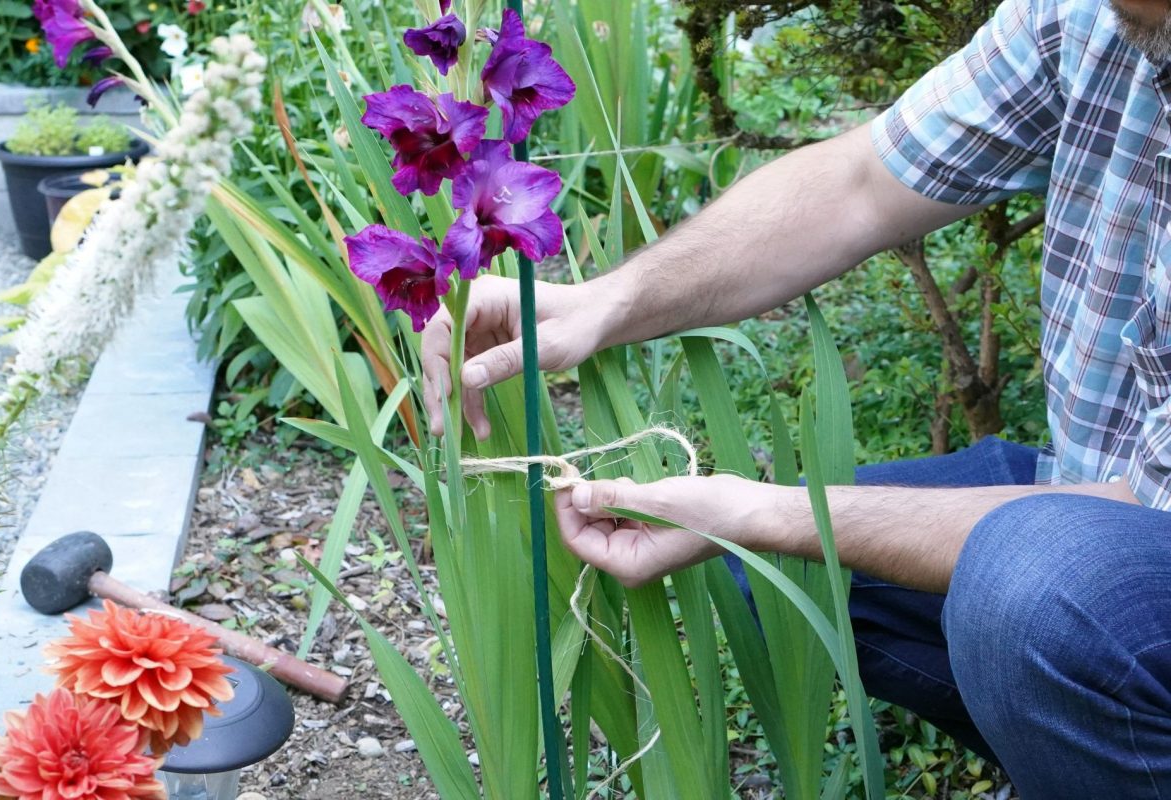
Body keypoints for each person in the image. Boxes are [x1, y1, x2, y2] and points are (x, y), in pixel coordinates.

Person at [421, 1, 1171, 795]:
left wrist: (762, 510)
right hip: (1097, 488)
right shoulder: (1091, 14)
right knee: (763, 573)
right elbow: (861, 185)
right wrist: (607, 300)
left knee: (1034, 593)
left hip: (1128, 531)